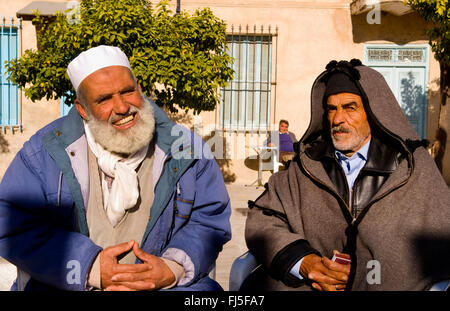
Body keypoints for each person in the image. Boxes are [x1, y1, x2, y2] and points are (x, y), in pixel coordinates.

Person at [0, 45, 231, 291]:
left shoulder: (187, 150)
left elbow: (208, 219)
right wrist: (90, 268)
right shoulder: (43, 154)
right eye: (104, 99)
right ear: (82, 109)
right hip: (72, 283)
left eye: (127, 91)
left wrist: (171, 268)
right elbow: (11, 224)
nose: (122, 108)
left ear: (139, 88)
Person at [244, 59, 450, 291]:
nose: (338, 119)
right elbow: (262, 219)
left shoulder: (412, 168)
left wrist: (366, 274)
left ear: (373, 112)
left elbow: (440, 241)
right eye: (332, 109)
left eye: (350, 108)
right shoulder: (305, 166)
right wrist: (304, 262)